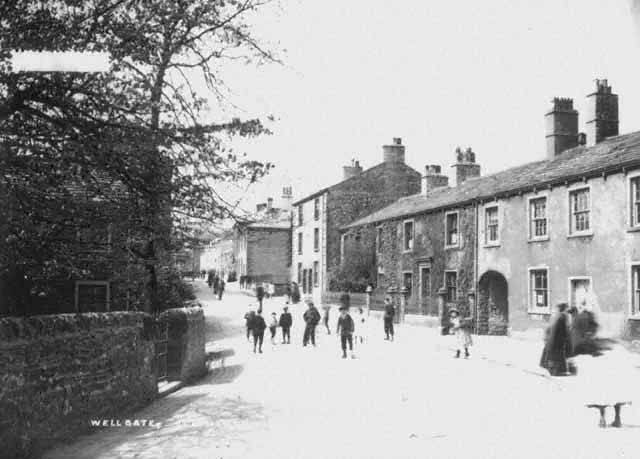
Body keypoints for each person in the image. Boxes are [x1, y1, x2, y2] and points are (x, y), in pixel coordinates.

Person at [540, 303, 572, 376]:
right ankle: (559, 371)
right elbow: (565, 329)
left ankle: (550, 368)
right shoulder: (563, 316)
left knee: (554, 354)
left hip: (553, 339)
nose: (567, 309)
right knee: (559, 355)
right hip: (558, 339)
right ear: (564, 308)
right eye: (566, 308)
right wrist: (567, 338)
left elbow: (550, 328)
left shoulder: (557, 316)